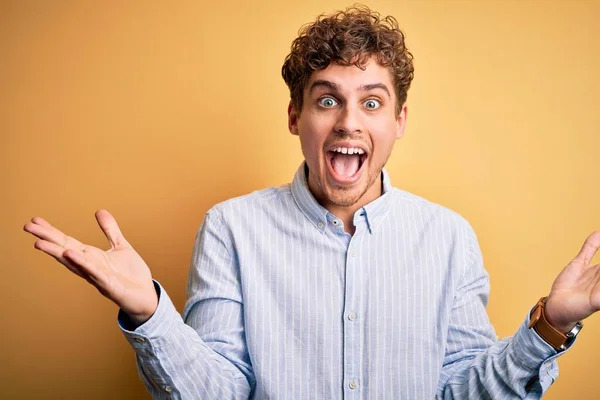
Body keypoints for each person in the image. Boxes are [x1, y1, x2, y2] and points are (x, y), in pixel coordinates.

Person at [23, 5, 599, 399]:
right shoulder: (231, 229)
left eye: (372, 103)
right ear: (296, 116)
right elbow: (219, 392)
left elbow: (461, 393)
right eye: (328, 100)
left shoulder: (449, 239)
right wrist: (150, 313)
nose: (349, 122)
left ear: (399, 122)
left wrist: (550, 326)